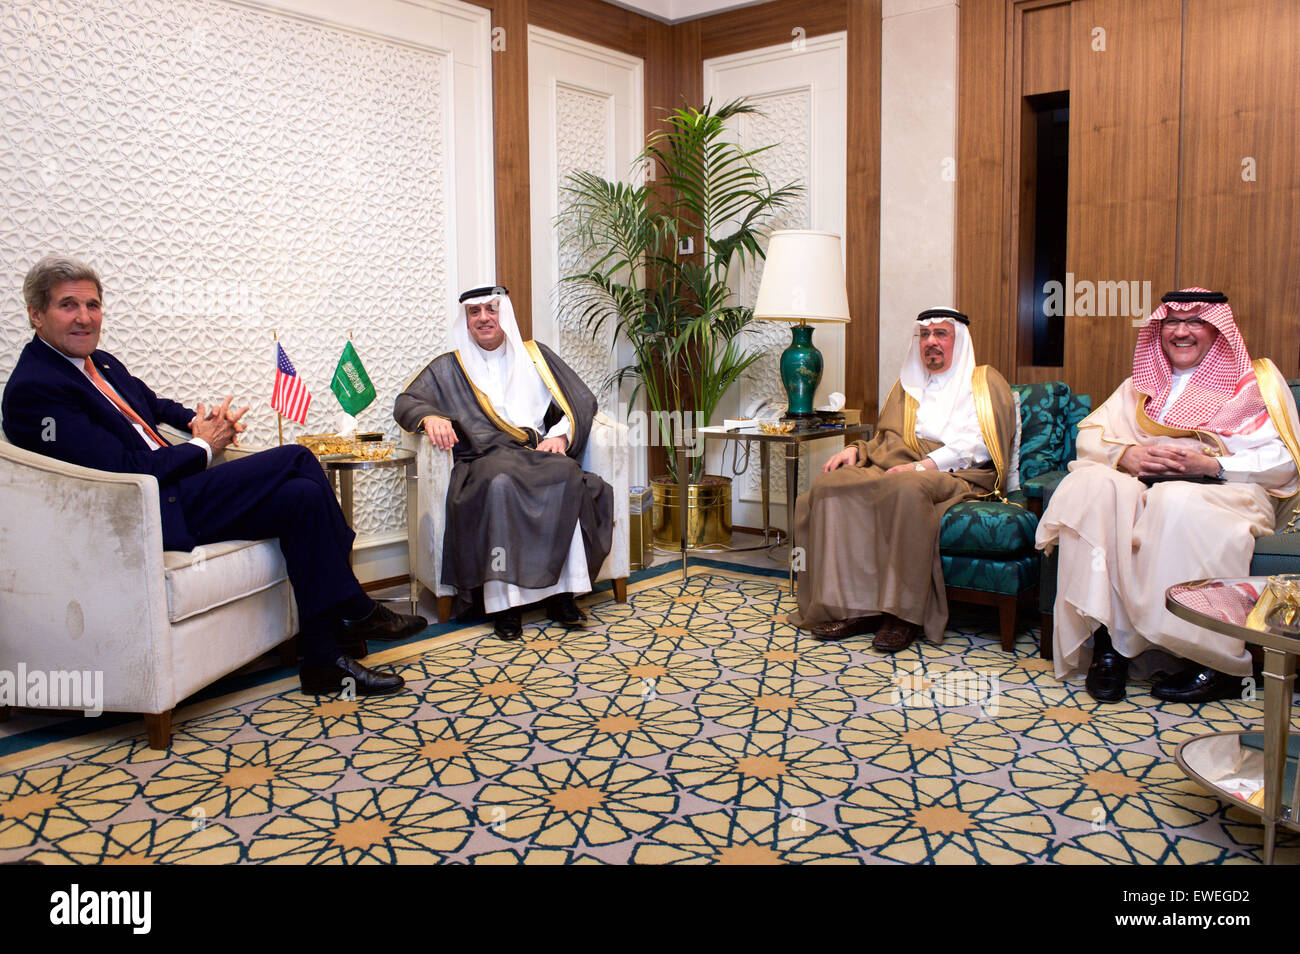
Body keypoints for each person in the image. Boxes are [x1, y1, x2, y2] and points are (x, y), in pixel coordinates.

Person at [2, 255, 426, 697]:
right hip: (145, 510)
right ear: (36, 314)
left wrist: (200, 420)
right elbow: (127, 472)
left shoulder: (100, 363)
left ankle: (322, 661)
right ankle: (356, 606)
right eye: (68, 306)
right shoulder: (37, 388)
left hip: (177, 493)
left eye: (93, 305)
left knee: (301, 497)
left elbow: (156, 406)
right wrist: (205, 446)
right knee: (298, 459)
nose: (85, 318)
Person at [1036, 288, 1300, 703]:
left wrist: (1210, 465)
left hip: (1227, 491)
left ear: (1217, 329)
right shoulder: (1138, 386)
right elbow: (1091, 436)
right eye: (1172, 322)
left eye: (1195, 321)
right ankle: (1110, 646)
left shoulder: (1256, 382)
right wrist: (1130, 454)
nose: (1182, 331)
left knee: (1174, 502)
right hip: (1144, 488)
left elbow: (1284, 463)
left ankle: (1212, 661)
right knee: (1091, 486)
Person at [790, 307, 1017, 652]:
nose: (931, 342)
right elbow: (887, 438)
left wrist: (923, 466)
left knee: (903, 486)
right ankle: (856, 607)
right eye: (924, 335)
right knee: (831, 486)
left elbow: (978, 445)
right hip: (899, 465)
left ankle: (903, 616)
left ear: (959, 340)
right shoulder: (906, 385)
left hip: (956, 472)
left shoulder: (984, 382)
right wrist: (857, 449)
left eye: (941, 334)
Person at [394, 284, 613, 640]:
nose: (483, 318)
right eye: (474, 312)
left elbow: (581, 400)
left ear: (504, 314)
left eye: (490, 310)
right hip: (483, 459)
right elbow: (405, 402)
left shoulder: (535, 357)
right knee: (500, 484)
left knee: (567, 475)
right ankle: (505, 605)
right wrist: (429, 417)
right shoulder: (450, 367)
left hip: (533, 454)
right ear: (466, 319)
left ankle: (564, 594)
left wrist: (559, 436)